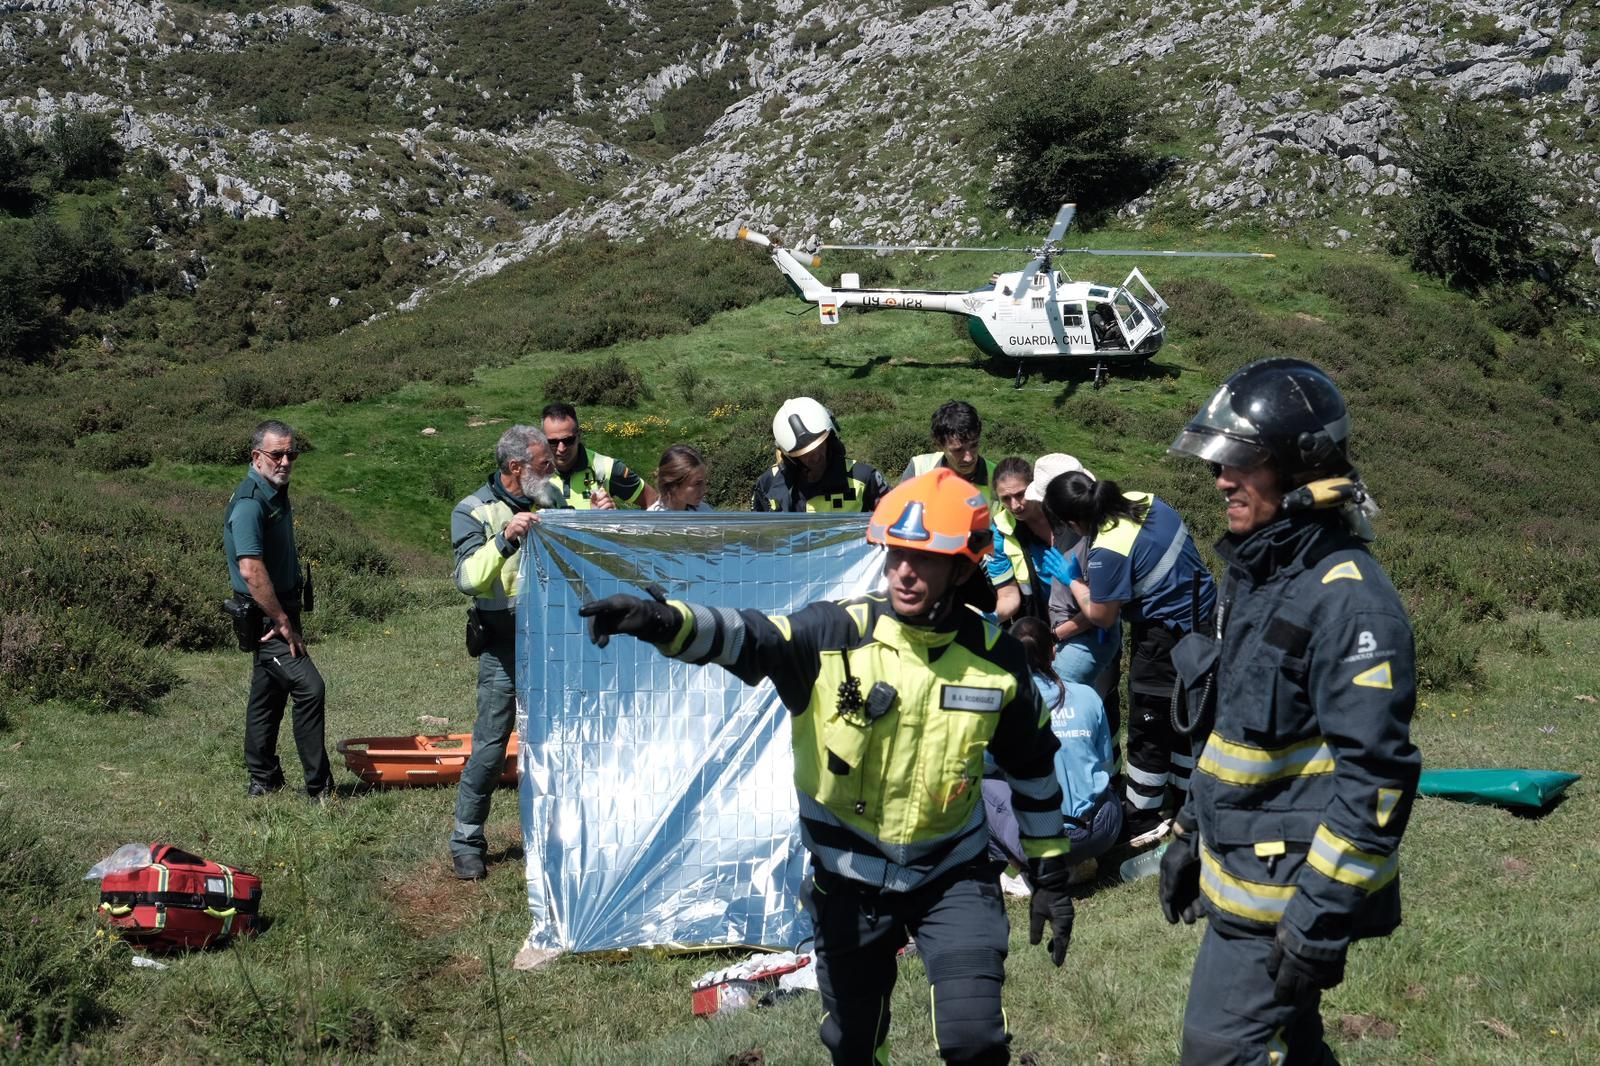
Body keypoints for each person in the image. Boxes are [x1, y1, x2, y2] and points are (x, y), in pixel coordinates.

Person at [581, 470, 1077, 1065]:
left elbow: (1033, 769)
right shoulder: (832, 633)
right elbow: (750, 637)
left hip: (954, 874)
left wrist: (1050, 876)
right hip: (846, 880)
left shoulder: (997, 661)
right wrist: (660, 620)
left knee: (975, 1040)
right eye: (896, 554)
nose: (904, 572)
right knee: (852, 1044)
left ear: (965, 567)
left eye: (925, 558)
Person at [1160, 357, 1420, 1064]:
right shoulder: (1263, 573)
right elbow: (1237, 729)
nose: (1220, 480)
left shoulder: (1348, 599)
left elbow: (1378, 784)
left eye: (1240, 463)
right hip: (1245, 872)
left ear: (1298, 467)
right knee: (1294, 1046)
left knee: (1218, 1051)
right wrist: (1189, 828)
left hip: (1286, 898)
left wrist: (1316, 920)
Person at [1043, 469, 1215, 846]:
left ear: (1072, 520)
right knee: (1185, 715)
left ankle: (1142, 817)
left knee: (1148, 723)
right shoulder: (1145, 501)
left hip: (1164, 635)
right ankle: (1185, 801)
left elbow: (1102, 614)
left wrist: (1073, 579)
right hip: (1203, 619)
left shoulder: (1108, 548)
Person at [448, 424, 566, 880]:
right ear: (516, 468)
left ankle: (558, 834)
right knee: (492, 746)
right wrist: (506, 538)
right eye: (543, 464)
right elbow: (467, 579)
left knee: (558, 740)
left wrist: (598, 514)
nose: (552, 467)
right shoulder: (473, 510)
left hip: (553, 640)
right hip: (502, 641)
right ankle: (467, 841)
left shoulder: (550, 497)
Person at [223, 420, 334, 801]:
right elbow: (250, 570)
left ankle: (263, 778)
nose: (285, 461)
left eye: (291, 454)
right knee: (309, 687)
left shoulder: (273, 491)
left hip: (280, 610)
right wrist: (283, 621)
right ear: (257, 457)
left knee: (267, 692)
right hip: (269, 618)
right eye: (276, 454)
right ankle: (320, 788)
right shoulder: (251, 504)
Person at [752, 396, 890, 513]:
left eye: (820, 446)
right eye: (804, 454)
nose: (816, 457)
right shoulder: (769, 484)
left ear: (831, 439)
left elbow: (894, 518)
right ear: (790, 456)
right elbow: (757, 534)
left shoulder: (863, 477)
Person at [541, 402, 657, 510]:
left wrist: (615, 520)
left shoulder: (607, 468)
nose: (561, 449)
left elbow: (654, 503)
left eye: (568, 440)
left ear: (579, 436)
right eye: (553, 442)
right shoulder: (531, 471)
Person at [902, 400, 998, 506]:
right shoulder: (918, 469)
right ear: (939, 445)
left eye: (974, 446)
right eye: (958, 450)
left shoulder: (1001, 478)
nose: (969, 458)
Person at [647, 444, 713, 512]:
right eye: (697, 483)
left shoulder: (705, 512)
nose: (705, 490)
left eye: (704, 481)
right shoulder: (653, 520)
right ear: (673, 485)